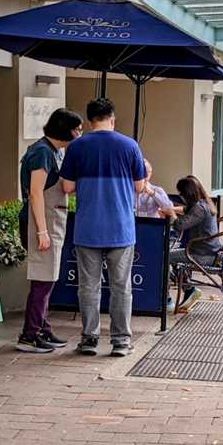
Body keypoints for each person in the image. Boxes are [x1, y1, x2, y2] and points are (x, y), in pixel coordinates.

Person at [59, 98, 146, 357]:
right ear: (113, 118)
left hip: (88, 228)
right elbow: (140, 186)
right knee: (121, 287)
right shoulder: (130, 145)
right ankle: (121, 341)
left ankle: (89, 339)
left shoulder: (77, 147)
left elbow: (66, 187)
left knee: (88, 286)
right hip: (121, 228)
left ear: (89, 120)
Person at [16, 108, 84, 354]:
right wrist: (41, 232)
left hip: (51, 220)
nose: (79, 133)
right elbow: (36, 192)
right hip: (41, 222)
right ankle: (30, 334)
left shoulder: (53, 151)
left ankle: (42, 327)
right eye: (76, 128)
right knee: (43, 281)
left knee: (49, 277)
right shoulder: (43, 152)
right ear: (65, 129)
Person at [160, 176, 222, 314]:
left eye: (181, 193)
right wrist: (172, 209)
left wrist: (171, 213)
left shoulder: (199, 209)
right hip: (210, 252)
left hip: (202, 255)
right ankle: (189, 290)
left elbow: (179, 226)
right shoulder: (204, 204)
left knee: (164, 257)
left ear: (188, 194)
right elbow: (186, 210)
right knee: (172, 256)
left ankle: (166, 299)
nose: (180, 196)